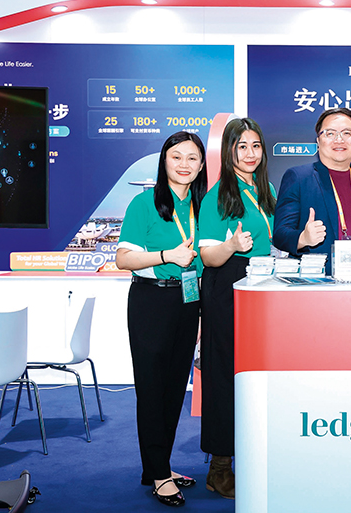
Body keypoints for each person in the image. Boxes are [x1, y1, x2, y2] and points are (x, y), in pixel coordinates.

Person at [116, 131, 207, 507]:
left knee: (173, 391)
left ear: (201, 165)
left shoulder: (201, 205)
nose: (184, 164)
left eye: (192, 158)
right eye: (176, 157)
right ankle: (158, 475)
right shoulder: (144, 203)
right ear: (164, 161)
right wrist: (167, 254)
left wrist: (199, 314)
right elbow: (123, 259)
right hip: (151, 301)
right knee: (152, 391)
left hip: (188, 301)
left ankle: (159, 467)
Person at [197, 117, 276, 499]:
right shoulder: (217, 196)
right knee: (223, 376)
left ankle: (254, 453)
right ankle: (220, 467)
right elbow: (207, 256)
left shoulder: (265, 189)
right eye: (241, 146)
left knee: (255, 375)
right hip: (227, 287)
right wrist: (230, 246)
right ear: (229, 151)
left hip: (260, 287)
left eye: (255, 146)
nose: (250, 153)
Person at [273, 108, 351, 273]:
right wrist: (303, 238)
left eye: (347, 133)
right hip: (318, 279)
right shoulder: (298, 178)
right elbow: (280, 235)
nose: (339, 139)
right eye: (330, 133)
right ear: (318, 141)